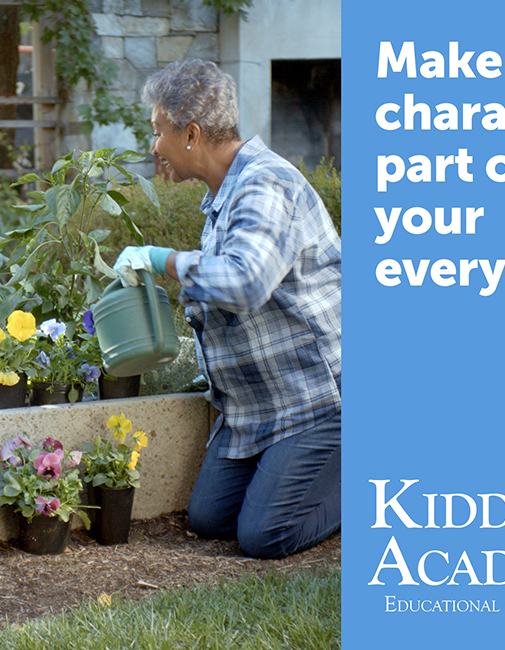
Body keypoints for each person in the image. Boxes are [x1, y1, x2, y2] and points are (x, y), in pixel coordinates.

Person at [112, 59, 343, 559]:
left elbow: (244, 281)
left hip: (316, 399)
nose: (154, 147)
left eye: (157, 132)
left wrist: (162, 259)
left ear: (190, 133)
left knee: (266, 536)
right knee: (209, 519)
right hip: (254, 406)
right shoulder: (225, 195)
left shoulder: (265, 185)